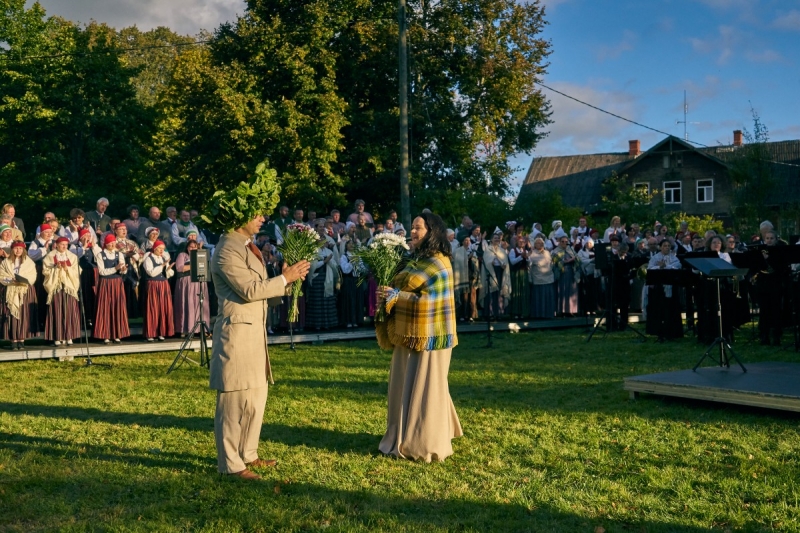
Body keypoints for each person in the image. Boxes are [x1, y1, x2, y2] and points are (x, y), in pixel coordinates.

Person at [210, 213, 310, 480]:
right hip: (236, 333)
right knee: (234, 401)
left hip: (255, 333)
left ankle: (248, 454)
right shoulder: (226, 249)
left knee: (255, 397)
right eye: (256, 214)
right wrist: (284, 279)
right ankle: (231, 465)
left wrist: (288, 281)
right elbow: (249, 290)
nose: (262, 218)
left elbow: (261, 290)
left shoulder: (247, 246)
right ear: (238, 216)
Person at [376, 212, 462, 462]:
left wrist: (396, 297)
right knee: (404, 385)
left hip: (430, 337)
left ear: (432, 232)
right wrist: (388, 293)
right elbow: (402, 287)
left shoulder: (439, 262)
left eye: (418, 228)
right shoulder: (415, 259)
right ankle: (403, 434)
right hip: (407, 334)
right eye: (412, 228)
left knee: (426, 388)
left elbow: (432, 302)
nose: (412, 232)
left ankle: (425, 443)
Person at [42, 237, 81, 346]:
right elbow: (46, 271)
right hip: (56, 286)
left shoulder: (72, 257)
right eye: (62, 244)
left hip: (68, 286)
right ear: (57, 245)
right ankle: (57, 337)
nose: (64, 246)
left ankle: (69, 336)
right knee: (57, 311)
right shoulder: (50, 257)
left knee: (69, 311)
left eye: (66, 244)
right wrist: (56, 268)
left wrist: (66, 268)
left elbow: (77, 271)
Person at [0, 241, 38, 350]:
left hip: (24, 291)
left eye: (20, 249)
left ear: (23, 250)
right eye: (16, 248)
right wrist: (10, 280)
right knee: (11, 314)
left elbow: (32, 275)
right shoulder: (5, 262)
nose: (18, 251)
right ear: (12, 249)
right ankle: (13, 340)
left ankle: (21, 340)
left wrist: (23, 280)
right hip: (11, 289)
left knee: (23, 314)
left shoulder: (28, 262)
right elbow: (1, 275)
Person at [93, 234, 130, 344]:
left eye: (113, 242)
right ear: (106, 244)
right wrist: (115, 268)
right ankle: (105, 334)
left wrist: (123, 269)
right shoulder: (101, 255)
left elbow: (123, 271)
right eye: (110, 243)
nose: (112, 244)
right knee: (105, 308)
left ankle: (117, 334)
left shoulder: (119, 254)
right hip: (105, 283)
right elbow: (102, 272)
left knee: (117, 307)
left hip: (117, 283)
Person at [645, 239, 683, 342]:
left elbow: (678, 267)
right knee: (660, 310)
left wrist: (665, 266)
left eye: (668, 246)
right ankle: (659, 332)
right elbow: (650, 269)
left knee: (671, 310)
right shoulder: (655, 257)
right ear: (660, 247)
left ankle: (672, 332)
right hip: (659, 288)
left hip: (671, 287)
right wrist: (659, 267)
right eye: (665, 245)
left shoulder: (674, 258)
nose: (667, 247)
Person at [305, 220, 339, 330]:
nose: (323, 243)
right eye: (321, 241)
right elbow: (312, 265)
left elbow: (334, 266)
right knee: (317, 302)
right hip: (317, 278)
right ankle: (317, 325)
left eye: (324, 241)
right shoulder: (314, 251)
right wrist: (324, 261)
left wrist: (329, 261)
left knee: (327, 301)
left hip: (327, 278)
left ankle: (328, 324)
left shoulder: (329, 251)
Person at [173, 240, 210, 335]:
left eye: (195, 247)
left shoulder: (200, 255)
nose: (193, 248)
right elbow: (180, 268)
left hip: (199, 282)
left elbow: (204, 267)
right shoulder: (182, 255)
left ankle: (201, 329)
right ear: (187, 248)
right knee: (188, 304)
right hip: (187, 283)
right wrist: (194, 264)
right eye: (191, 247)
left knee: (200, 304)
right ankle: (186, 328)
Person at [141, 240, 174, 341]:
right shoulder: (149, 259)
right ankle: (151, 333)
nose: (161, 251)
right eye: (160, 249)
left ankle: (161, 332)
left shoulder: (163, 258)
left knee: (163, 308)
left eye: (163, 249)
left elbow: (170, 274)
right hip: (153, 285)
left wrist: (168, 269)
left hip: (163, 284)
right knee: (153, 307)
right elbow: (151, 273)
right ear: (154, 248)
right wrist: (162, 266)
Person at [479, 228, 511, 318]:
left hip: (500, 272)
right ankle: (490, 312)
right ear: (491, 240)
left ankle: (498, 312)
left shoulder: (502, 251)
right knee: (491, 291)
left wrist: (504, 266)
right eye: (495, 238)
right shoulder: (488, 250)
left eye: (498, 238)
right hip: (491, 272)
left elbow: (505, 261)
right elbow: (486, 261)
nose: (497, 240)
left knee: (499, 291)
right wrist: (490, 263)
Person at [552, 235, 580, 316]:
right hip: (561, 273)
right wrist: (564, 262)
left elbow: (578, 259)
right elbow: (554, 263)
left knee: (571, 291)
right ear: (559, 242)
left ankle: (571, 310)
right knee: (562, 291)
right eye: (562, 241)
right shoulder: (556, 251)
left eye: (566, 242)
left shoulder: (570, 249)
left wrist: (574, 260)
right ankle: (561, 311)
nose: (564, 243)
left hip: (571, 272)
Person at [339, 240, 365, 328]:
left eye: (352, 244)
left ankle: (357, 320)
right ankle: (348, 321)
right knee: (349, 300)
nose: (351, 245)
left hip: (357, 280)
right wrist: (351, 262)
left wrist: (358, 264)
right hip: (348, 281)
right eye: (349, 244)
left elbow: (362, 269)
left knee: (357, 300)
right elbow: (345, 270)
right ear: (346, 246)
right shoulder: (344, 256)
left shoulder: (358, 256)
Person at [529, 237, 555, 319]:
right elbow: (529, 267)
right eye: (538, 243)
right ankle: (538, 315)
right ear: (535, 245)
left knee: (547, 298)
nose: (540, 244)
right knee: (538, 298)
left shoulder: (547, 253)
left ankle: (548, 314)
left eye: (541, 243)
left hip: (548, 278)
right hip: (538, 279)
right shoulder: (532, 254)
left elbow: (551, 263)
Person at [508, 235, 531, 318]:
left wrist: (527, 258)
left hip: (524, 273)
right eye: (520, 241)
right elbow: (512, 262)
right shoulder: (513, 251)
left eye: (523, 242)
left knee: (524, 292)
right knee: (516, 291)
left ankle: (523, 312)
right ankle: (515, 312)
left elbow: (529, 264)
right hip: (516, 273)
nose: (522, 243)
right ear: (517, 242)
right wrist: (521, 257)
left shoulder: (526, 251)